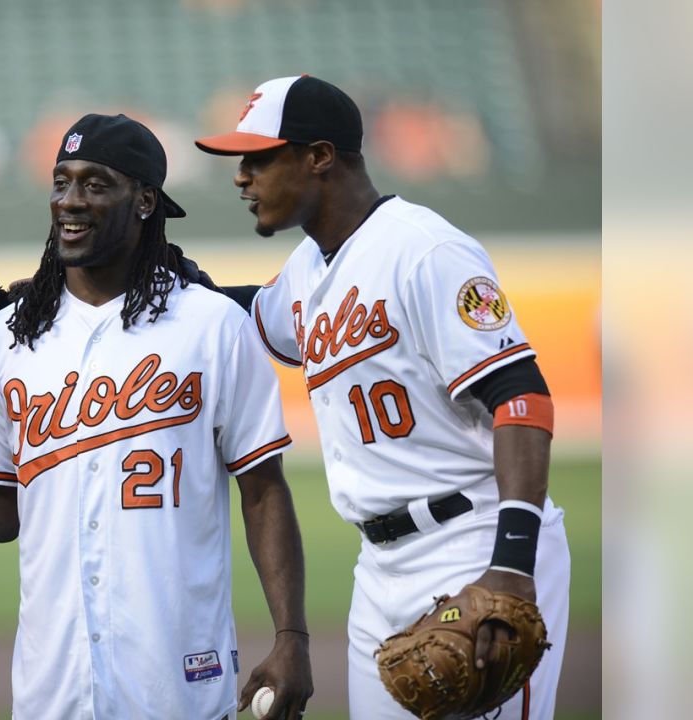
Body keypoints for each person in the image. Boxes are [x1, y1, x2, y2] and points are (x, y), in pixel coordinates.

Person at [0, 113, 313, 720]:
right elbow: (2, 502)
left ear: (144, 200)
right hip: (51, 687)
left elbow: (264, 490)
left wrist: (291, 637)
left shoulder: (210, 325)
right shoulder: (5, 339)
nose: (70, 201)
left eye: (94, 183)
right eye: (61, 182)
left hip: (179, 682)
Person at [194, 75, 570, 719]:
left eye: (259, 157)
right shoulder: (310, 270)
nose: (242, 176)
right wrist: (163, 280)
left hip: (475, 544)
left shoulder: (424, 250)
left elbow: (522, 398)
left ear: (319, 156)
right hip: (379, 568)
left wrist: (512, 562)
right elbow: (247, 313)